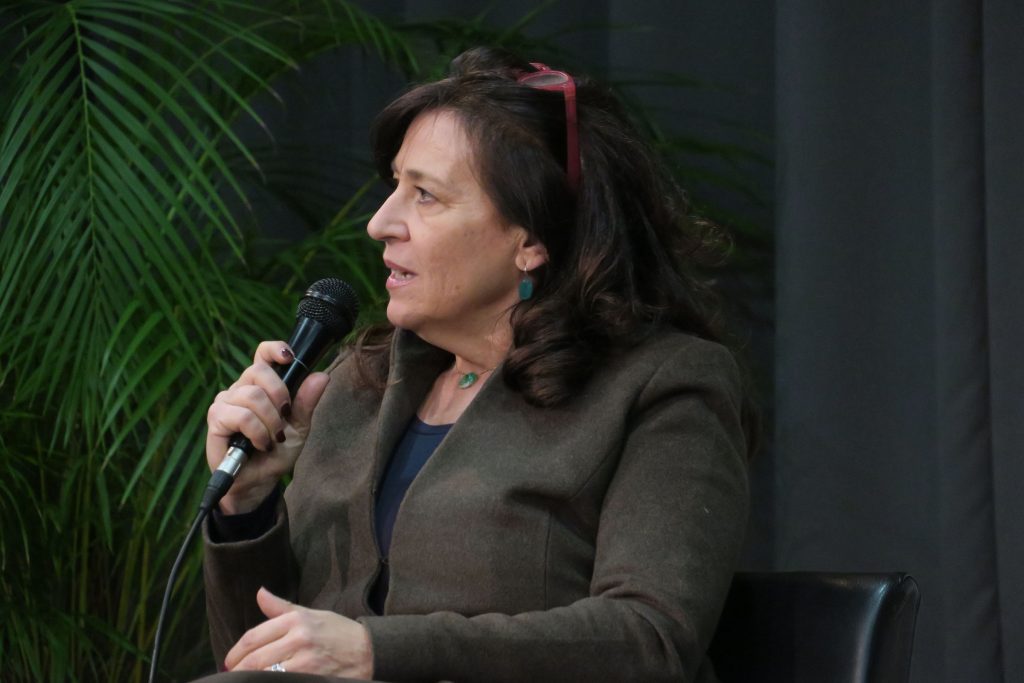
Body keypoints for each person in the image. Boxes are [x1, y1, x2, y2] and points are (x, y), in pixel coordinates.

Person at [199, 46, 756, 683]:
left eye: (426, 196)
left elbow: (651, 640)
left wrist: (381, 651)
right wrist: (246, 502)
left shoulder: (661, 384)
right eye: (394, 187)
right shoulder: (357, 383)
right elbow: (255, 660)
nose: (380, 223)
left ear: (531, 240)